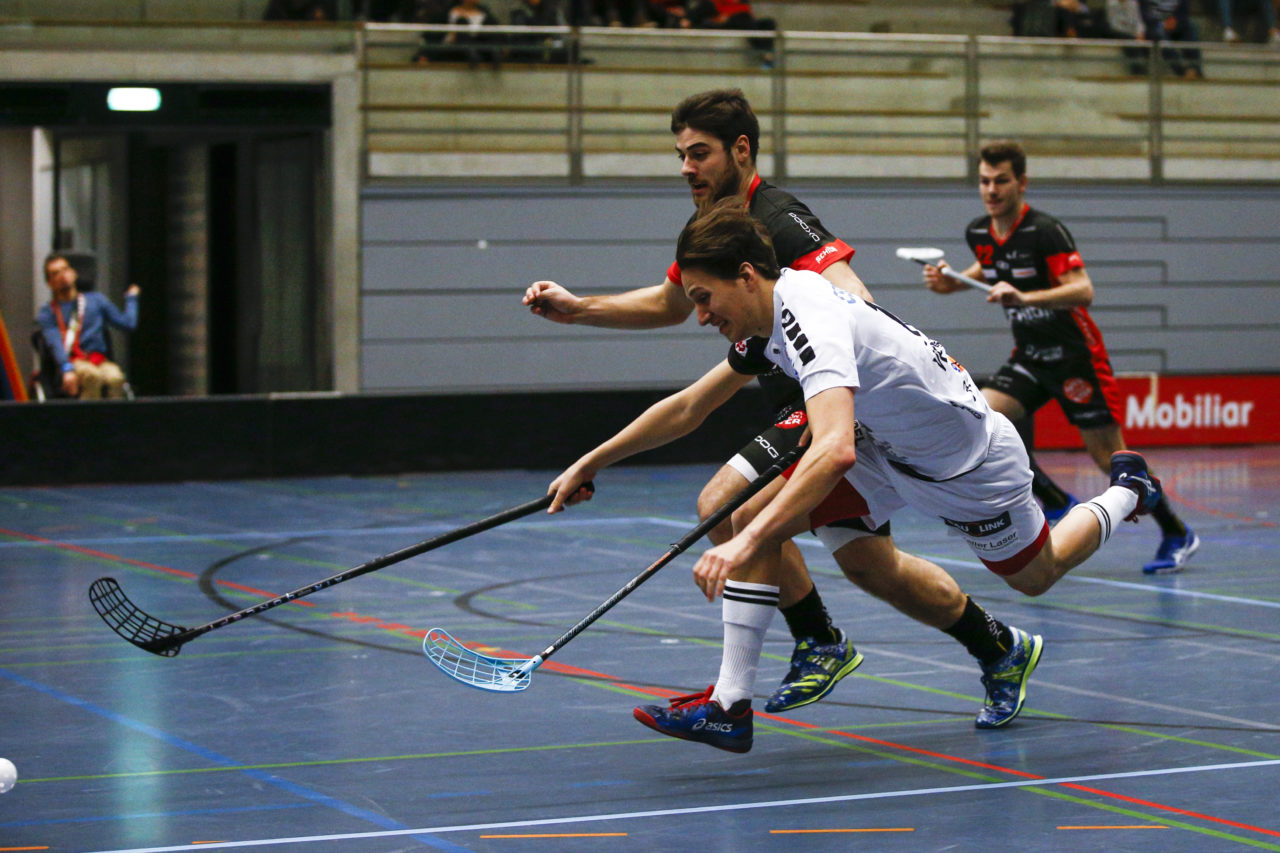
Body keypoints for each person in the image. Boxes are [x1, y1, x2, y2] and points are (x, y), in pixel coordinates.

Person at [549, 201, 1163, 753]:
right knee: (743, 510)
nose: (701, 315)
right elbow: (689, 407)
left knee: (1037, 573)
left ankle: (1128, 487)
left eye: (705, 298)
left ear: (745, 277)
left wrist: (750, 543)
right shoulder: (768, 317)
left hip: (968, 466)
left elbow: (834, 447)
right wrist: (589, 462)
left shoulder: (807, 317)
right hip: (888, 451)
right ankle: (730, 706)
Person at [526, 89, 1043, 730]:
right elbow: (673, 319)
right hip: (807, 409)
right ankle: (998, 646)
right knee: (870, 567)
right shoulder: (713, 232)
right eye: (680, 155)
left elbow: (853, 294)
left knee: (727, 505)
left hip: (824, 410)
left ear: (741, 150)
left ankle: (785, 664)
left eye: (700, 153)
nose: (687, 167)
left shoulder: (777, 215)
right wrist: (580, 310)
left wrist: (837, 394)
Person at [922, 140, 1197, 575]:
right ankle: (1056, 502)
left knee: (1110, 458)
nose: (991, 190)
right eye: (984, 181)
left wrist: (1026, 295)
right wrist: (947, 281)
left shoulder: (1045, 231)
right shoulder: (979, 233)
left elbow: (1083, 289)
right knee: (984, 418)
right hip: (1030, 356)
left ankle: (1177, 532)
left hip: (1074, 357)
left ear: (1022, 183)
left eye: (1001, 181)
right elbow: (985, 272)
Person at [36, 253, 139, 400]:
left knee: (115, 378)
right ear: (49, 282)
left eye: (65, 270)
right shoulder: (48, 312)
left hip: (99, 360)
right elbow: (55, 343)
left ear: (74, 273)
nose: (62, 276)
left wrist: (132, 299)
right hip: (73, 362)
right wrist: (66, 369)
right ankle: (89, 419)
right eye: (55, 273)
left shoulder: (97, 301)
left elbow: (128, 324)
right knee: (92, 376)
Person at [1138, 0, 1203, 78]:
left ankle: (1196, 69)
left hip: (1175, 22)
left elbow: (1184, 8)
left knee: (1190, 29)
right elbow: (1144, 13)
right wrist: (1162, 23)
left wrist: (1176, 19)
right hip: (1155, 25)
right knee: (1159, 35)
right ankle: (1182, 71)